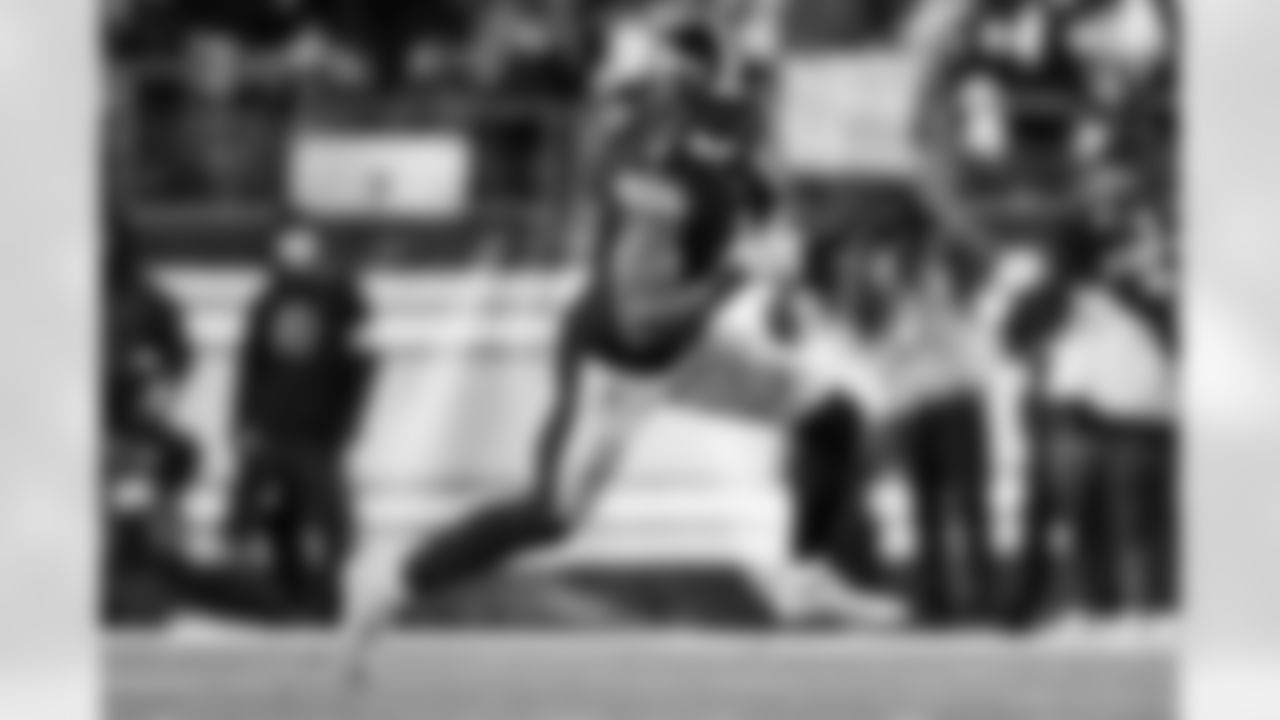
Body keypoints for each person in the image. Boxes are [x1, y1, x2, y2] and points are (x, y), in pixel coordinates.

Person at [339, 121, 907, 682]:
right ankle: (388, 582)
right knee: (551, 514)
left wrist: (784, 288)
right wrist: (735, 277)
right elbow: (639, 321)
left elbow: (765, 279)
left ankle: (803, 578)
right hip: (613, 369)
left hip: (687, 349)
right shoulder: (663, 204)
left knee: (832, 415)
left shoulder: (736, 185)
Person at [222, 226, 372, 623]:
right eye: (288, 247)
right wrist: (242, 422)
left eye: (304, 248)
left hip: (317, 433)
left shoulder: (344, 300)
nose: (295, 256)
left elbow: (360, 367)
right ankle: (279, 599)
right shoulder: (266, 301)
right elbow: (250, 367)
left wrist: (346, 423)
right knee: (268, 517)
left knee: (329, 522)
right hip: (271, 428)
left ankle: (325, 602)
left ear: (319, 252)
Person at [104, 217, 200, 622]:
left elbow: (179, 357)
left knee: (137, 514)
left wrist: (159, 387)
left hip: (130, 432)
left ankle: (142, 600)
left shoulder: (149, 299)